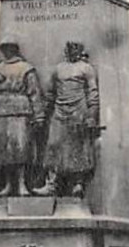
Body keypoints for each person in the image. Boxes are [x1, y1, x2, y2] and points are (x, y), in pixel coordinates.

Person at [40, 41, 100, 198]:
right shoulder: (58, 69)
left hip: (78, 111)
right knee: (53, 145)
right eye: (69, 48)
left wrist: (91, 115)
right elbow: (50, 93)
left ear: (79, 50)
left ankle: (77, 183)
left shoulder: (86, 68)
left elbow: (93, 92)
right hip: (59, 112)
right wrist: (43, 113)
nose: (71, 51)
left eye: (74, 48)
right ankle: (51, 183)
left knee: (78, 148)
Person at [0, 41, 45, 197]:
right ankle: (9, 185)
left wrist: (39, 115)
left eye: (8, 49)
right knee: (3, 151)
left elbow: (34, 92)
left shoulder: (26, 69)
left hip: (21, 110)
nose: (6, 52)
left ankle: (23, 184)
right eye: (4, 49)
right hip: (0, 112)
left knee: (21, 149)